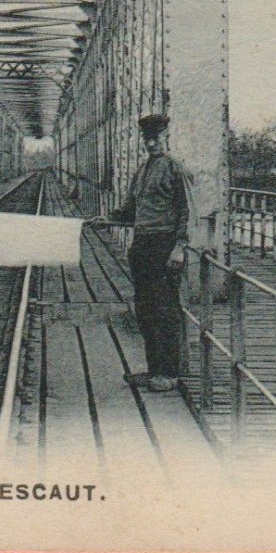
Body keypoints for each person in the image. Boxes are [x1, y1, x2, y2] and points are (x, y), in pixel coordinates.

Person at [91, 113, 192, 392]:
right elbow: (130, 211)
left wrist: (180, 247)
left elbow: (187, 211)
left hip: (164, 245)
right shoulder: (143, 170)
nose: (151, 144)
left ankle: (169, 373)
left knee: (165, 309)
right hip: (143, 245)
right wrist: (107, 219)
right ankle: (153, 369)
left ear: (167, 137)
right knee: (145, 310)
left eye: (157, 138)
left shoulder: (175, 169)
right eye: (147, 139)